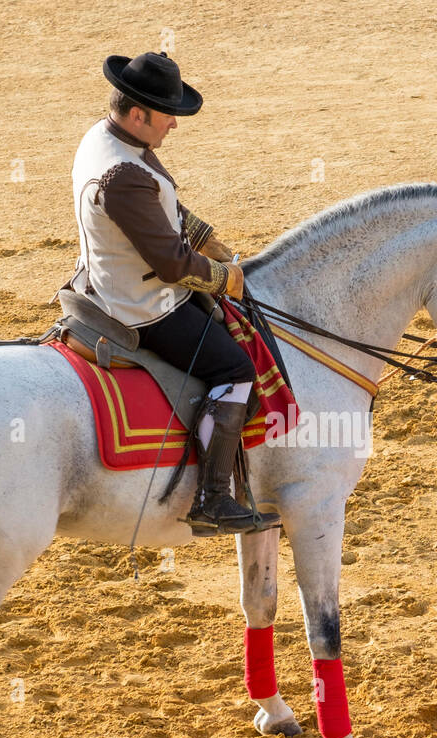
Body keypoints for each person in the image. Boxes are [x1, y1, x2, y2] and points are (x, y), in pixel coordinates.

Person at [68, 50, 280, 536]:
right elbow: (170, 264)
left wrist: (201, 232)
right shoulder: (123, 175)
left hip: (102, 279)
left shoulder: (105, 138)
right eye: (168, 115)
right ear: (138, 113)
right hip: (144, 307)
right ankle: (213, 499)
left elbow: (159, 203)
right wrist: (227, 277)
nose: (175, 126)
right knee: (234, 367)